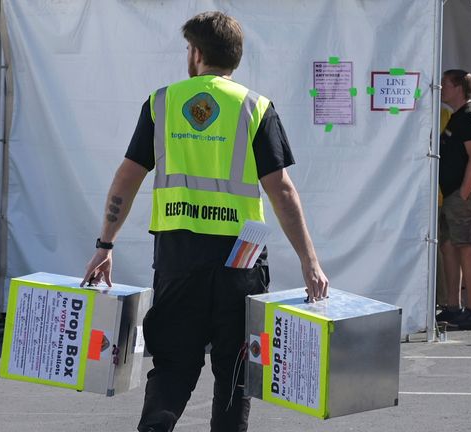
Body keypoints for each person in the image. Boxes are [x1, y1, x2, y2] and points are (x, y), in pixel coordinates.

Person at [81, 11, 329, 432]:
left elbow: (127, 177)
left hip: (179, 255)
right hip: (241, 258)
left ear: (196, 53)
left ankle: (156, 425)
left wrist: (105, 245)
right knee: (236, 365)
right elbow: (281, 190)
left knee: (174, 360)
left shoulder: (162, 103)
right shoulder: (256, 107)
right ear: (235, 57)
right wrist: (310, 261)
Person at [436, 69, 471, 327]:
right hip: (449, 195)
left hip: (461, 196)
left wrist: (464, 193)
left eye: (444, 84)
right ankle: (452, 306)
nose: (441, 88)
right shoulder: (456, 117)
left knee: (465, 248)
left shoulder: (470, 117)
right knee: (448, 248)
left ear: (458, 87)